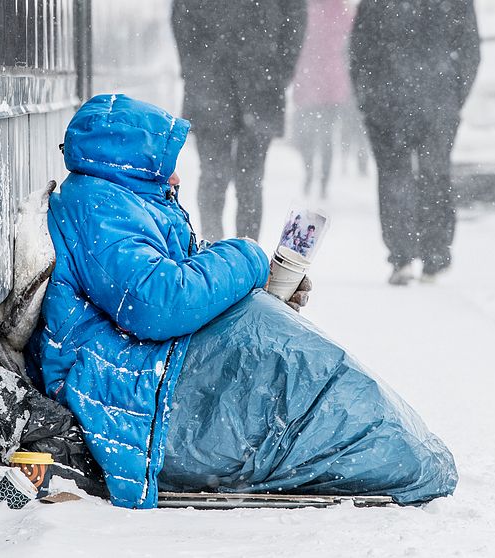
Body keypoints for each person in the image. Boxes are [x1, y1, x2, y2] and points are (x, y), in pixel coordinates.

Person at [26, 94, 457, 510]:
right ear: (128, 163)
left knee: (290, 362)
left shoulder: (120, 200)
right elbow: (157, 304)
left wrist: (258, 286)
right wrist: (247, 256)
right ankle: (390, 455)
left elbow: (176, 271)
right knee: (289, 370)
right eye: (164, 166)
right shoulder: (98, 206)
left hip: (147, 362)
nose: (175, 178)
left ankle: (386, 449)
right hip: (130, 378)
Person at [349, 0, 481, 285]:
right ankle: (433, 256)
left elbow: (360, 48)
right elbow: (470, 49)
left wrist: (366, 95)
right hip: (436, 99)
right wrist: (454, 96)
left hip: (388, 98)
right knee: (434, 175)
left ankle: (402, 256)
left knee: (395, 176)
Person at [171, 0, 307, 241]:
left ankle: (234, 251)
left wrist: (280, 71)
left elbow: (295, 19)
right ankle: (221, 247)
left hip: (236, 82)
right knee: (231, 177)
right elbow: (294, 18)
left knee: (238, 179)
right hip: (233, 82)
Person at [291, 0, 354, 199]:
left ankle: (315, 175)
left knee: (314, 136)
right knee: (322, 137)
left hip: (315, 80)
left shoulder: (306, 7)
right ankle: (318, 177)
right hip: (327, 82)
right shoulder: (339, 10)